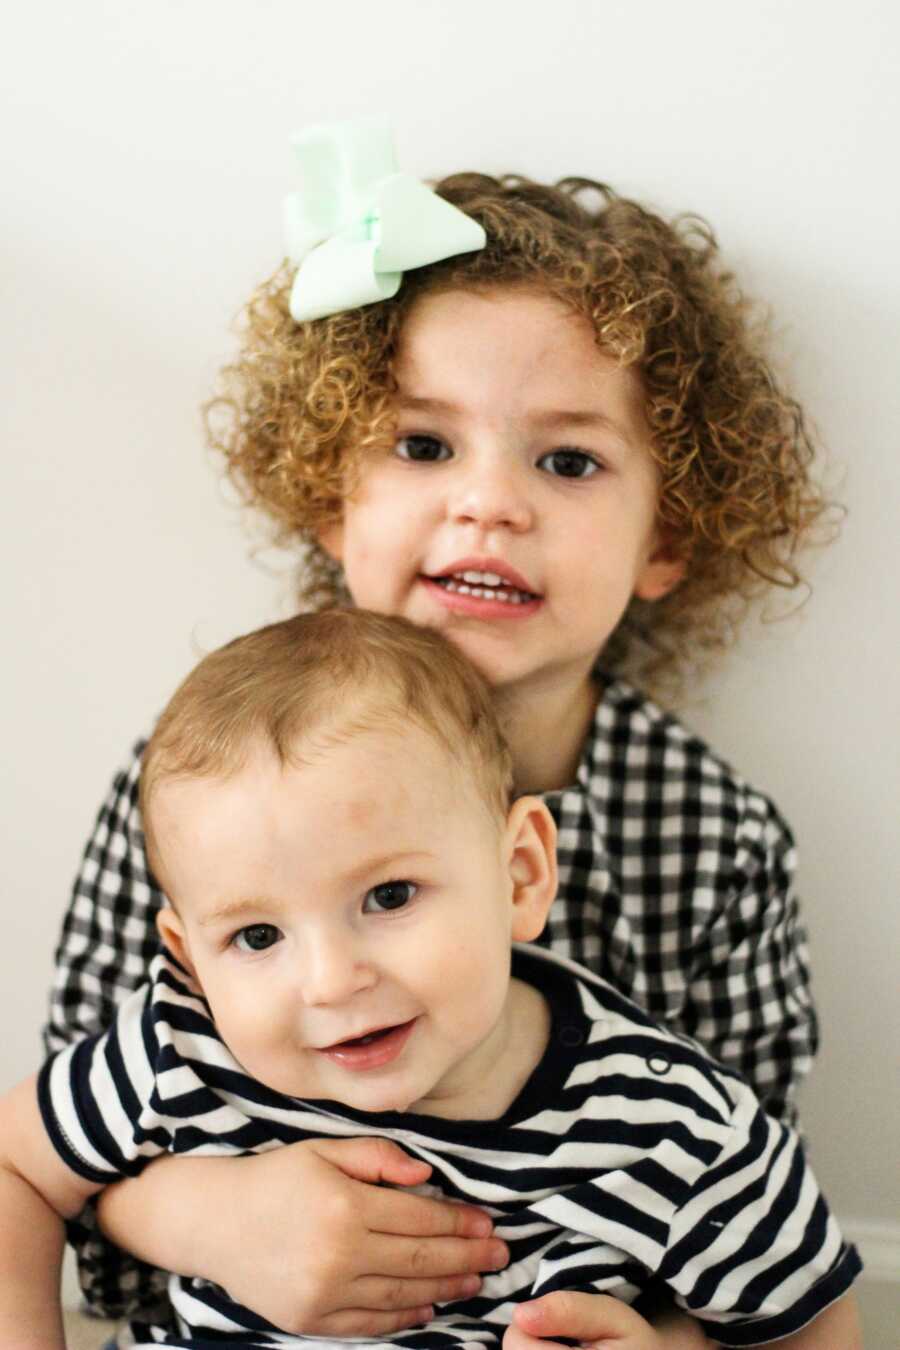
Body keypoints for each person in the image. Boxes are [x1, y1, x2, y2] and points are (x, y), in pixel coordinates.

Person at [46, 122, 840, 1347]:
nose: (489, 501)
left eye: (568, 460)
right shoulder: (200, 792)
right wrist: (205, 1217)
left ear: (668, 538)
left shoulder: (713, 838)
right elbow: (66, 1149)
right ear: (329, 494)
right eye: (424, 446)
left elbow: (753, 1232)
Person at [2, 611, 862, 1349]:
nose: (332, 981)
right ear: (190, 959)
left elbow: (814, 1319)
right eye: (258, 935)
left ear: (521, 874)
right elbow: (14, 1164)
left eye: (389, 895)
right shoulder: (180, 1047)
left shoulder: (675, 1130)